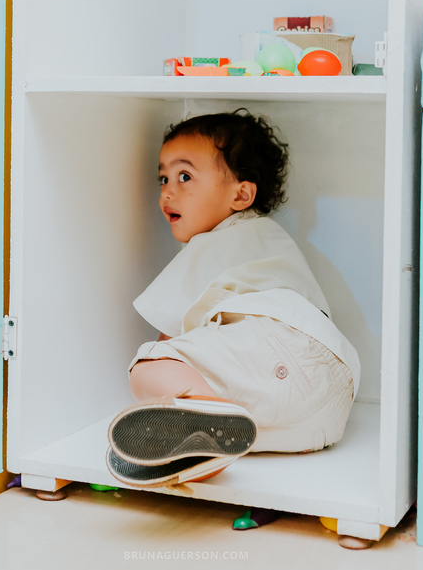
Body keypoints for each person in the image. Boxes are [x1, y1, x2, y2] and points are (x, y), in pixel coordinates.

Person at [104, 110, 360, 487]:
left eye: (185, 176)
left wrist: (163, 383)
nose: (167, 192)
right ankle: (211, 433)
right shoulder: (270, 239)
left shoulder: (216, 241)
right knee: (243, 424)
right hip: (329, 407)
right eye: (164, 178)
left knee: (148, 364)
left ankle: (206, 420)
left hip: (279, 349)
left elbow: (170, 339)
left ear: (241, 194)